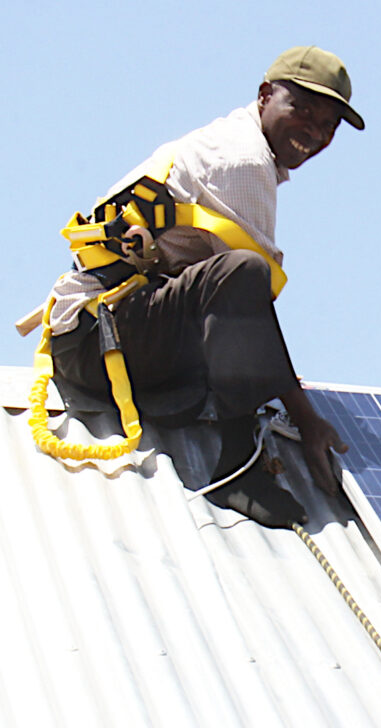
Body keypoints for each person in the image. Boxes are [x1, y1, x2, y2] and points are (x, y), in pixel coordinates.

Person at [44, 45, 362, 527]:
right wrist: (305, 417)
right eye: (303, 110)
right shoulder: (244, 162)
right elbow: (244, 299)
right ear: (264, 96)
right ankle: (239, 468)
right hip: (99, 341)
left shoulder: (232, 139)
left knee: (236, 288)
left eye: (329, 125)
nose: (314, 133)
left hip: (110, 328)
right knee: (244, 274)